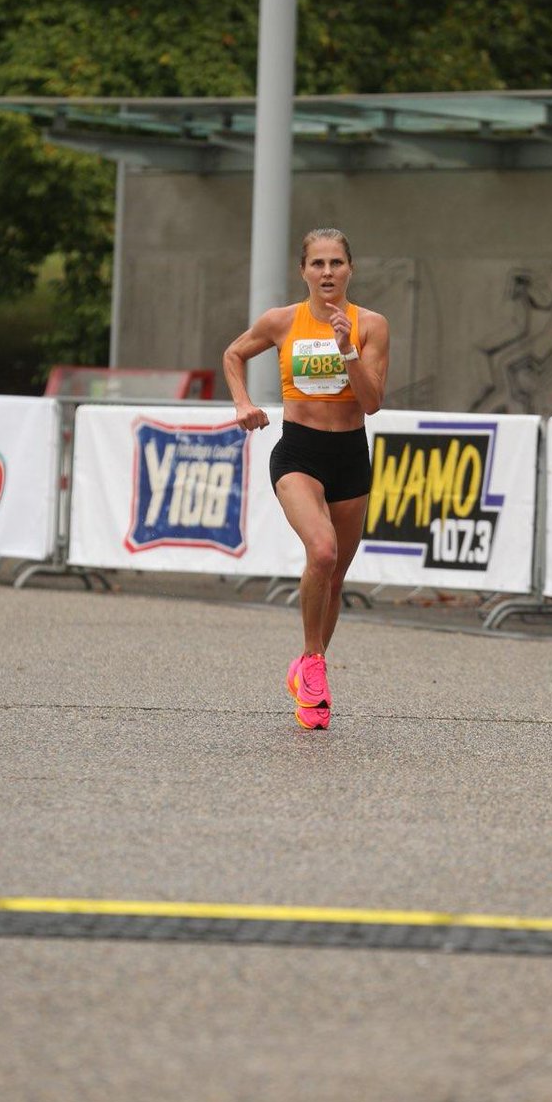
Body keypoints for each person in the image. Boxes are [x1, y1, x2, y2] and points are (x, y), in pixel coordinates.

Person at [223, 227, 390, 731]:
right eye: (317, 264)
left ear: (350, 269)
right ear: (303, 271)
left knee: (334, 575)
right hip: (298, 451)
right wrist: (243, 404)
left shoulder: (370, 325)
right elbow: (233, 355)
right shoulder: (281, 321)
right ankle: (315, 663)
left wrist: (348, 350)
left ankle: (307, 664)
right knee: (321, 551)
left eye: (336, 263)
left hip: (350, 455)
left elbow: (373, 402)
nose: (327, 273)